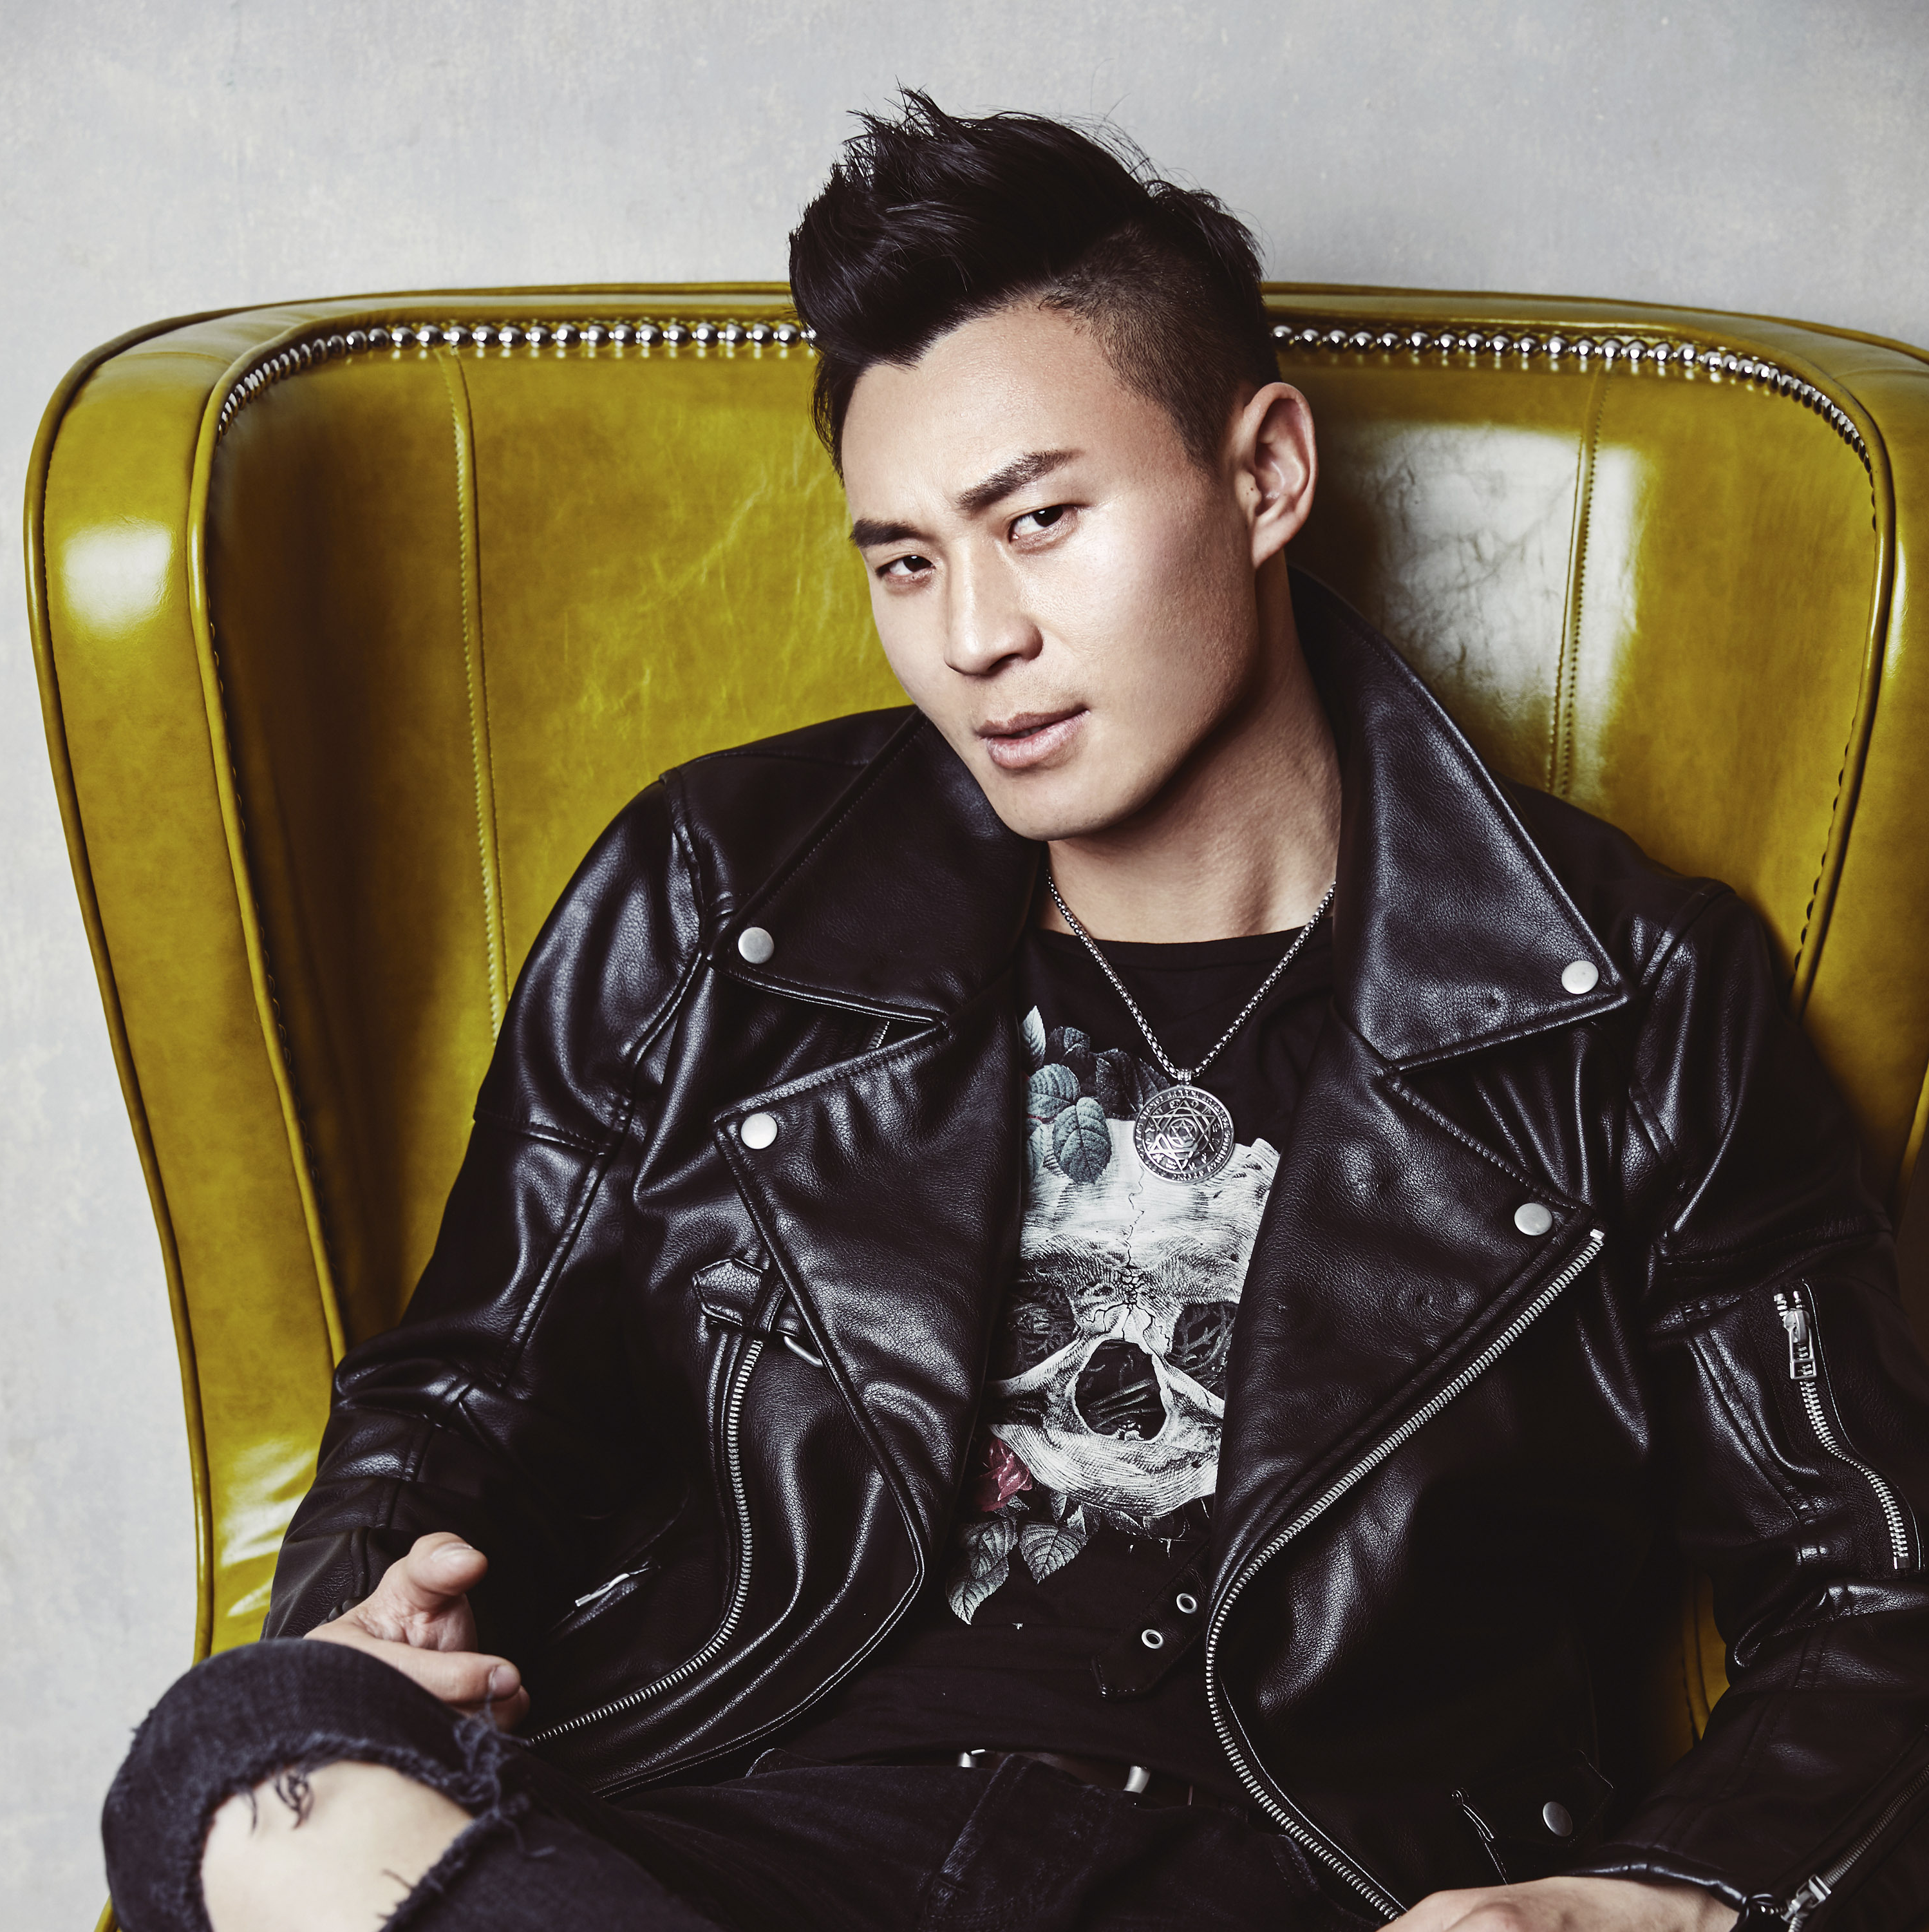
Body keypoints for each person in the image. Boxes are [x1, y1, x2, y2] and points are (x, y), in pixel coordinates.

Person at [104, 93, 1929, 1932]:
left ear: (1266, 473)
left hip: (1277, 1870)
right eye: (906, 560)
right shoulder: (720, 900)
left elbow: (1872, 1586)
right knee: (241, 1775)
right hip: (721, 1837)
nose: (973, 636)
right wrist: (359, 1628)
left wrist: (1665, 1895)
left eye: (1040, 521)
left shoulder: (1629, 1004)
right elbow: (470, 1391)